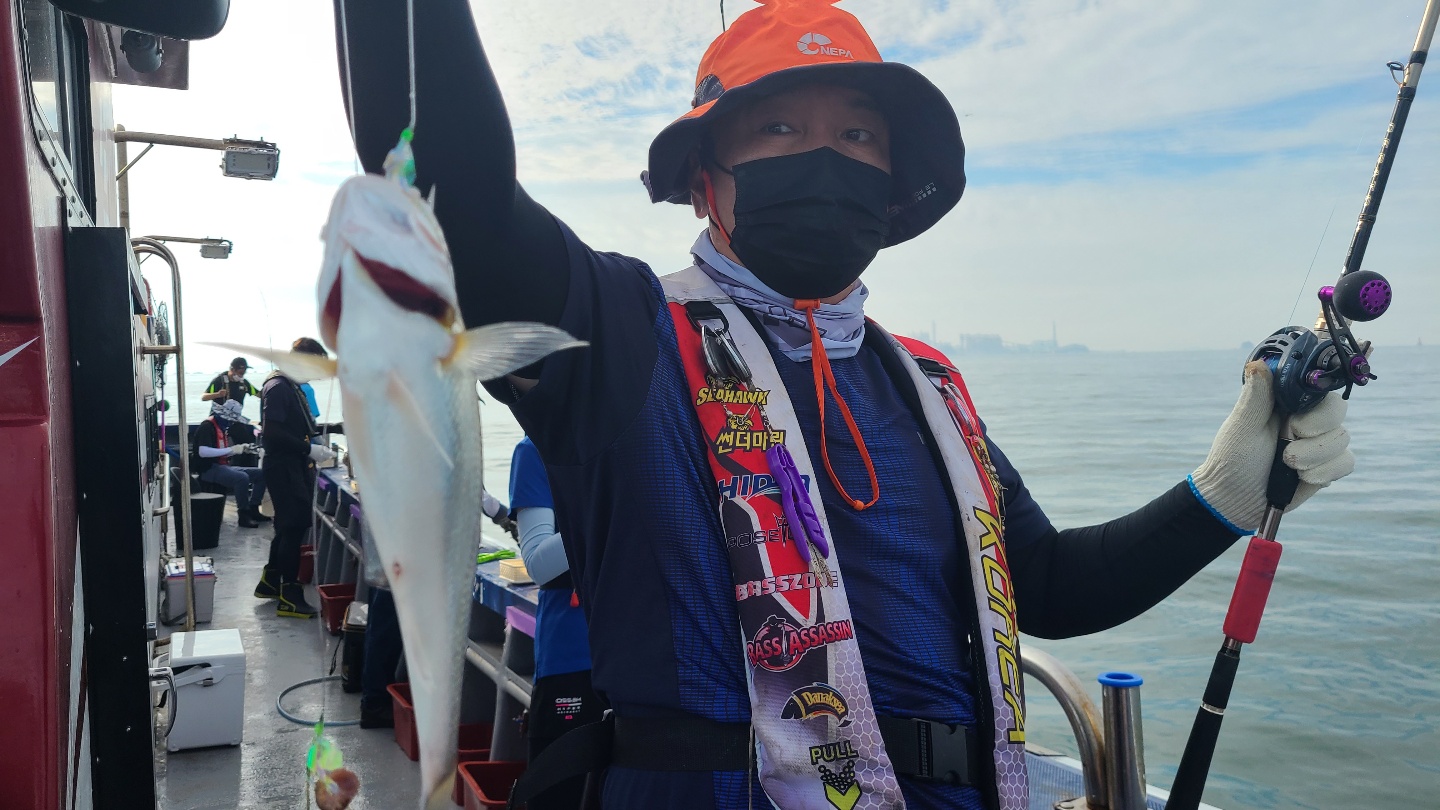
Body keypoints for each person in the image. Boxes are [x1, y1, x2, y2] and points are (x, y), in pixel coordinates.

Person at [337, 2, 1357, 807]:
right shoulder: (621, 332)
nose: (826, 158)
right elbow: (454, 199)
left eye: (858, 134)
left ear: (892, 183)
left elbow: (1048, 588)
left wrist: (1223, 494)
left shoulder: (930, 385)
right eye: (780, 126)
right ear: (704, 178)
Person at [360, 484, 512, 729]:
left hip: (392, 531)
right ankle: (375, 703)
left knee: (383, 619)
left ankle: (377, 696)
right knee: (386, 623)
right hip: (403, 539)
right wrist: (502, 515)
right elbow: (466, 486)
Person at [509, 436, 604, 809]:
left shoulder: (639, 440)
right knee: (559, 794)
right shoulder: (536, 449)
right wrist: (607, 506)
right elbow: (538, 563)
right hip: (571, 658)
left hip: (638, 656)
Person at [254, 337, 335, 619]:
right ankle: (289, 596)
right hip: (284, 467)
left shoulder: (291, 386)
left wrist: (337, 429)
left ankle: (270, 581)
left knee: (286, 525)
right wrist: (308, 449)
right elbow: (272, 432)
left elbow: (299, 424)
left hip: (292, 465)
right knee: (293, 527)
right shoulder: (278, 387)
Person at [191, 399, 268, 528]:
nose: (231, 423)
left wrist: (243, 448)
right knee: (241, 478)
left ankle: (254, 507)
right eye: (230, 420)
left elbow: (221, 452)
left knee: (261, 474)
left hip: (222, 466)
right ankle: (244, 514)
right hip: (208, 469)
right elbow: (203, 452)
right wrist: (232, 450)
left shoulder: (222, 428)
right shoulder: (207, 427)